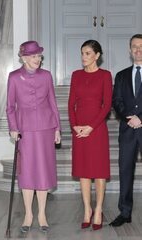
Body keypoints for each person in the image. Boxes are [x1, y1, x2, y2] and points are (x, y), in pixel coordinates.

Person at [6, 41, 61, 233]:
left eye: (39, 56)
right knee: (27, 171)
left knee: (44, 171)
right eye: (34, 56)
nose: (37, 59)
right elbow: (10, 106)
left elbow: (53, 103)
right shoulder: (13, 77)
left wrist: (57, 128)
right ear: (23, 57)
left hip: (46, 129)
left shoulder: (46, 76)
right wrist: (13, 127)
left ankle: (42, 214)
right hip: (25, 130)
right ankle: (28, 214)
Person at [68, 40, 112, 230]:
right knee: (84, 172)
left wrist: (91, 127)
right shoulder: (76, 75)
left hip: (97, 130)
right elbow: (71, 104)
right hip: (79, 131)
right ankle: (87, 210)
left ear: (97, 55)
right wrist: (75, 126)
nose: (84, 57)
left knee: (99, 173)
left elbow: (107, 106)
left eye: (87, 53)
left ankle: (99, 209)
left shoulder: (105, 75)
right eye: (82, 53)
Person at [110, 34, 142, 227]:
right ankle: (125, 212)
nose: (138, 50)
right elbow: (116, 101)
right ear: (130, 50)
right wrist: (128, 117)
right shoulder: (121, 75)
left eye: (141, 46)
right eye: (134, 46)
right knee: (125, 171)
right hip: (128, 130)